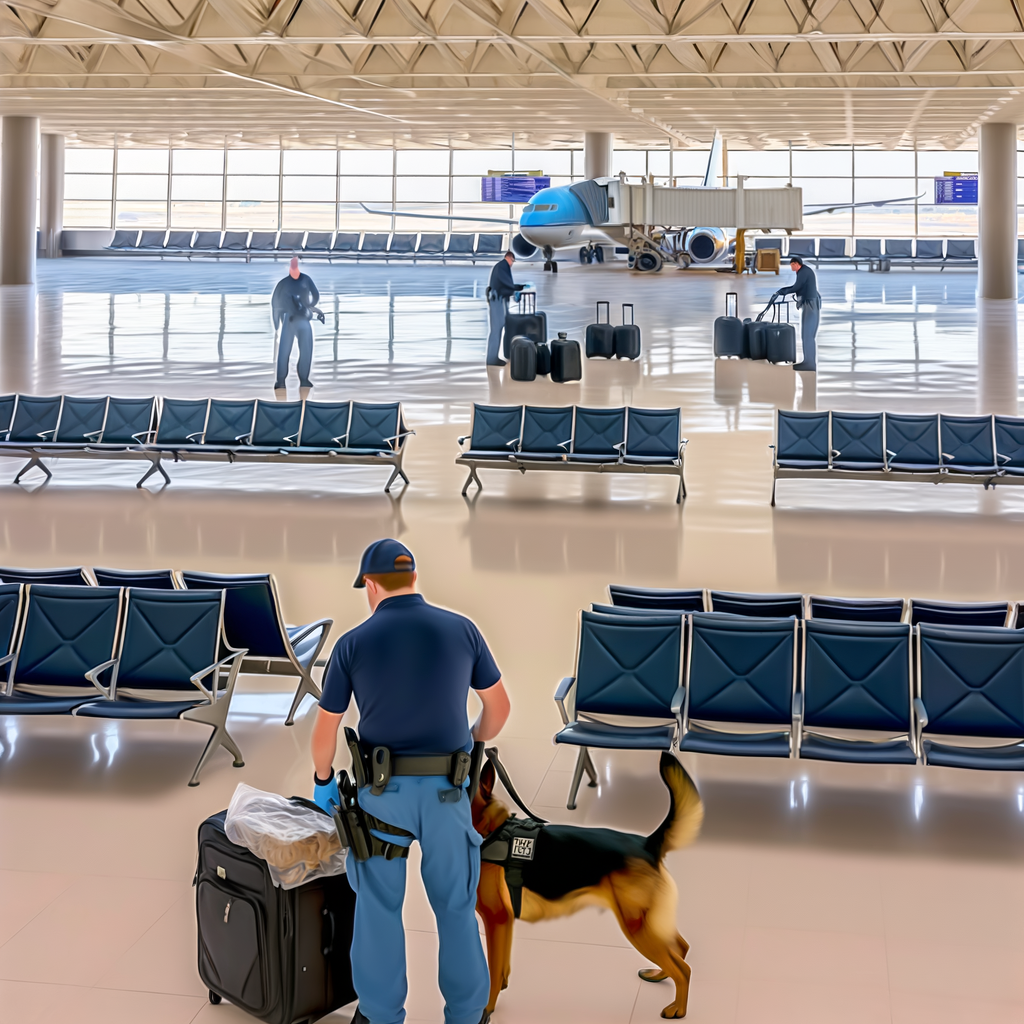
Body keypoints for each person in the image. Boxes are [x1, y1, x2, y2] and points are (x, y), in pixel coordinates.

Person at [311, 538, 511, 1024]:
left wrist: (322, 783)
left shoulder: (353, 643)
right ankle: (466, 1014)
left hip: (382, 800)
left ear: (372, 586)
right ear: (414, 579)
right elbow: (498, 708)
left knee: (379, 909)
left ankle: (380, 1014)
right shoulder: (462, 630)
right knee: (456, 908)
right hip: (448, 794)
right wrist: (468, 741)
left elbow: (325, 730)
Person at [271, 256, 320, 389]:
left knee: (306, 349)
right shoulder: (284, 283)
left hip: (303, 318)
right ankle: (281, 380)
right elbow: (275, 303)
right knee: (285, 350)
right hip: (289, 319)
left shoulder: (305, 280)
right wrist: (277, 322)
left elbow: (316, 295)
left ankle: (304, 379)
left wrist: (310, 306)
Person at [774, 254, 821, 371]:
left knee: (807, 334)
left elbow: (797, 287)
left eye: (791, 265)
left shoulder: (803, 272)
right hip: (810, 302)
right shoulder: (804, 271)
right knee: (807, 334)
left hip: (810, 304)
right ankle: (808, 361)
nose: (791, 268)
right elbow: (802, 288)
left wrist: (781, 291)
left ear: (796, 264)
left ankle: (809, 363)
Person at [485, 250, 520, 367]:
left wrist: (515, 288)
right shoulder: (503, 266)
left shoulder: (500, 267)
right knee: (497, 328)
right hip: (496, 300)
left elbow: (504, 283)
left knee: (499, 327)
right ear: (509, 258)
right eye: (512, 261)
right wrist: (515, 289)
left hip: (497, 299)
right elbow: (505, 282)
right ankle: (492, 359)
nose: (512, 264)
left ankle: (493, 357)